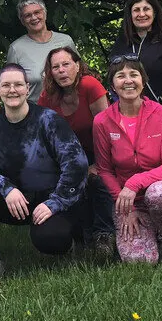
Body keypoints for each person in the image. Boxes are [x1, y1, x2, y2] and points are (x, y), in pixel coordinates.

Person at [0, 64, 88, 279]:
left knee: (51, 240)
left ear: (27, 89)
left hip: (48, 200)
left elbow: (77, 164)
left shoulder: (49, 120)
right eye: (6, 85)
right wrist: (5, 188)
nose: (13, 90)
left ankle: (74, 238)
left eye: (18, 84)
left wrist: (54, 203)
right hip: (11, 200)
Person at [93, 57, 162, 263]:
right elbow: (104, 170)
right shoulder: (102, 121)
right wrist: (127, 209)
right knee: (139, 260)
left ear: (143, 81)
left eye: (134, 75)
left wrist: (134, 183)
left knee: (158, 195)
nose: (128, 80)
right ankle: (151, 231)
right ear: (112, 85)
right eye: (120, 76)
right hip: (128, 201)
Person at [37, 46, 115, 256]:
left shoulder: (90, 86)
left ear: (78, 66)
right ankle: (81, 237)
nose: (61, 70)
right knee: (70, 183)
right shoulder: (47, 97)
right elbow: (43, 136)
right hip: (66, 159)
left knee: (98, 181)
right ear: (50, 72)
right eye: (56, 67)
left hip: (100, 152)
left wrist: (98, 165)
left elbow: (109, 130)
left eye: (66, 64)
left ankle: (104, 235)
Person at [110, 0, 162, 166]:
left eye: (146, 9)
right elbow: (113, 79)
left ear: (155, 12)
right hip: (130, 118)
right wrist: (119, 108)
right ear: (130, 15)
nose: (141, 14)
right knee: (135, 168)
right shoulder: (121, 44)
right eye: (136, 10)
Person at [7, 0, 75, 102]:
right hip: (33, 113)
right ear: (22, 21)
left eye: (37, 12)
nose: (34, 18)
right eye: (28, 15)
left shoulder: (65, 41)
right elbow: (11, 87)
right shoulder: (16, 49)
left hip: (69, 108)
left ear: (45, 13)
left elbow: (80, 73)